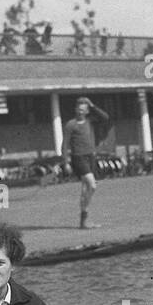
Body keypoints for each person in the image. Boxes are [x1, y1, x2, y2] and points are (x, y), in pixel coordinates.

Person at [61, 96, 110, 229]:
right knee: (92, 186)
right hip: (78, 158)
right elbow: (64, 144)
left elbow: (105, 117)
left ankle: (83, 221)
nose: (80, 112)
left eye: (83, 109)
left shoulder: (91, 122)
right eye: (78, 109)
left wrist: (92, 105)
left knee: (85, 190)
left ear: (87, 111)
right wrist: (65, 162)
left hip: (91, 157)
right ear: (75, 110)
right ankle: (84, 219)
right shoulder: (71, 124)